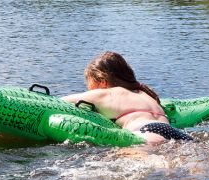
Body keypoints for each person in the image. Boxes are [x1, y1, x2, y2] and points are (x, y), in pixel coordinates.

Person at [62, 51, 192, 146]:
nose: (90, 90)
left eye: (90, 84)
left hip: (145, 132)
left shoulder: (107, 93)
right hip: (177, 133)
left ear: (102, 82)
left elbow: (61, 102)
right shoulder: (146, 93)